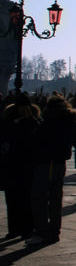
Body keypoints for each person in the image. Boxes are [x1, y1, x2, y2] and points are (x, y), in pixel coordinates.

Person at [27, 94, 76, 245]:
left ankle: (42, 231)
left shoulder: (50, 121)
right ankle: (55, 230)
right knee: (56, 198)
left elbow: (38, 140)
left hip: (46, 161)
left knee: (41, 198)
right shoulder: (69, 121)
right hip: (59, 162)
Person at [0, 94, 39, 239]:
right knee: (23, 198)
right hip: (21, 164)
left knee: (14, 198)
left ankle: (17, 228)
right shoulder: (32, 121)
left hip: (14, 164)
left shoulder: (10, 121)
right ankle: (24, 228)